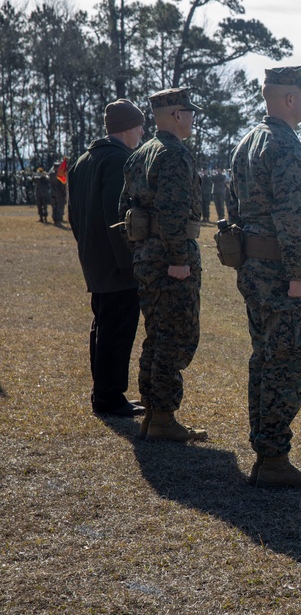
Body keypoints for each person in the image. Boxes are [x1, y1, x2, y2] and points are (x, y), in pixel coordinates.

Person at [229, 64, 301, 486]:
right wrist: (297, 274)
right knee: (288, 363)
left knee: (264, 358)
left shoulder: (248, 141)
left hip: (254, 267)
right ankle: (272, 459)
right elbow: (293, 218)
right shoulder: (285, 146)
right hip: (281, 273)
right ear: (288, 98)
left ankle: (266, 450)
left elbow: (236, 207)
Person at [119, 87, 207, 442]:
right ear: (174, 115)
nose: (192, 118)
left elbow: (124, 211)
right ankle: (163, 418)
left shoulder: (139, 154)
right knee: (177, 336)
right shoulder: (173, 154)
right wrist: (178, 260)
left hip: (146, 256)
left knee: (157, 335)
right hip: (171, 258)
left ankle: (154, 412)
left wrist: (142, 250)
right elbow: (172, 211)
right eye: (189, 112)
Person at [67, 99, 146, 417]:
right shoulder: (118, 160)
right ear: (127, 128)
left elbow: (73, 215)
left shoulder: (84, 160)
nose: (143, 131)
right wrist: (130, 262)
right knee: (116, 330)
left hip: (95, 258)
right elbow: (120, 217)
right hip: (118, 263)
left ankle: (104, 392)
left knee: (103, 326)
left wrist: (87, 248)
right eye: (140, 125)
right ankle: (109, 397)